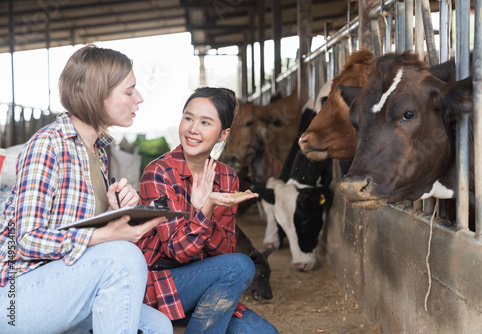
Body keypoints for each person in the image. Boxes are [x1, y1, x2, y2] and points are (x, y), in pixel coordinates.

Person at [0, 45, 172, 334]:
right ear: (97, 95)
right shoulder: (49, 144)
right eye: (129, 92)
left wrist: (116, 212)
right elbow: (25, 239)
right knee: (124, 257)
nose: (139, 99)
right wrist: (106, 234)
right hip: (17, 295)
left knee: (158, 326)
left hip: (64, 285)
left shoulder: (97, 151)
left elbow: (74, 226)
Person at [137, 87, 278, 333]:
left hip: (205, 288)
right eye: (188, 118)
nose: (193, 128)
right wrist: (205, 209)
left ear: (223, 134)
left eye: (205, 122)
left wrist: (206, 211)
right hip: (160, 285)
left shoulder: (226, 177)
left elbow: (224, 251)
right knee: (241, 266)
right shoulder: (158, 173)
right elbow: (177, 251)